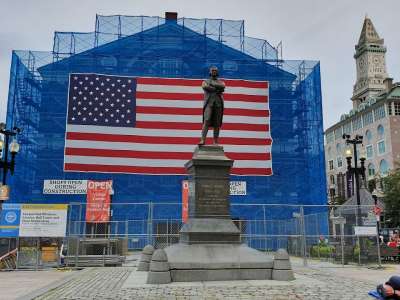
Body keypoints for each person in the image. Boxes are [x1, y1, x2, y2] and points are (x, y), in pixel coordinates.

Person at [199, 66, 225, 145]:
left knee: (217, 123)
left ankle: (215, 141)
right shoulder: (205, 81)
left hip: (218, 104)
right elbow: (205, 86)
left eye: (215, 71)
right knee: (206, 120)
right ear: (210, 72)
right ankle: (202, 140)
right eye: (213, 70)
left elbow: (223, 86)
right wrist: (216, 88)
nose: (214, 72)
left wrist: (212, 85)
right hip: (209, 103)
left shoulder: (221, 82)